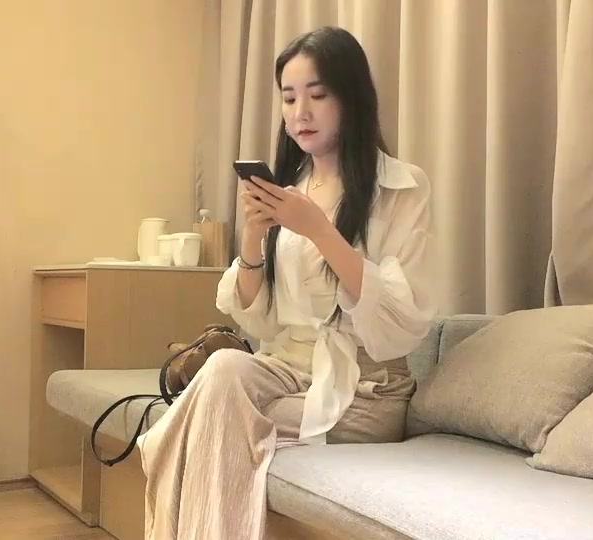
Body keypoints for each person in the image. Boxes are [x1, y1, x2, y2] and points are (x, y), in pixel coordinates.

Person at [135, 26, 437, 539]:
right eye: (289, 97)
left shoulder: (402, 187)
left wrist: (319, 230)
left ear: (351, 98)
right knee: (224, 369)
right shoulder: (289, 191)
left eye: (318, 95)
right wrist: (254, 236)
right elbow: (259, 318)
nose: (301, 112)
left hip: (363, 391)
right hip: (286, 372)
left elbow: (400, 326)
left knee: (213, 412)